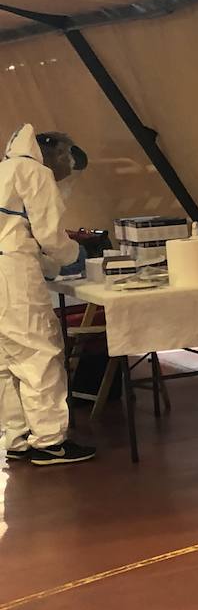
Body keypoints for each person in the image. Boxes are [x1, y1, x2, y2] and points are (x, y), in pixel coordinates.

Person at [0, 126, 95, 466]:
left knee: (6, 362)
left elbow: (14, 234)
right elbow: (50, 237)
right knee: (38, 354)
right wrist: (73, 257)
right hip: (12, 276)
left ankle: (17, 437)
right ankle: (50, 441)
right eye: (67, 161)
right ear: (53, 155)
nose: (67, 170)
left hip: (5, 270)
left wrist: (49, 265)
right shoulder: (34, 173)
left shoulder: (4, 169)